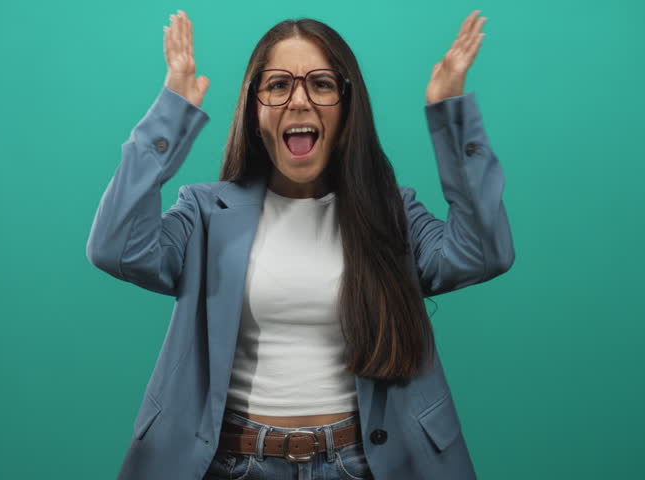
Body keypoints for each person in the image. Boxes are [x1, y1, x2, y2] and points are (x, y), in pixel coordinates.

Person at [86, 8, 513, 480]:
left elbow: (482, 252)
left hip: (360, 464)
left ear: (347, 107)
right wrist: (170, 118)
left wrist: (450, 114)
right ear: (255, 109)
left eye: (322, 84)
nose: (299, 101)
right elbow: (116, 247)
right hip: (234, 464)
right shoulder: (206, 214)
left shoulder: (393, 214)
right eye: (278, 84)